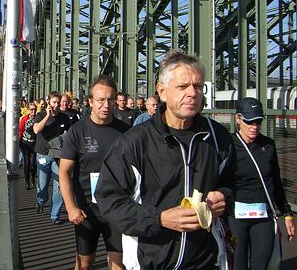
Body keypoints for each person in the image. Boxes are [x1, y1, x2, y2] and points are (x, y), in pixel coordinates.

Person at [95, 50, 236, 270]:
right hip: (151, 261)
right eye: (182, 87)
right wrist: (159, 218)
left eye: (198, 86)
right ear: (162, 91)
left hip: (205, 260)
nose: (192, 93)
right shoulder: (134, 142)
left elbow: (233, 182)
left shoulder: (218, 137)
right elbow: (109, 201)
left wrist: (224, 196)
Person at [60, 75, 130, 270]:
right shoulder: (77, 131)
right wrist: (71, 207)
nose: (106, 104)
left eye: (110, 99)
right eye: (100, 99)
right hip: (87, 211)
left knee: (119, 265)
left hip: (117, 208)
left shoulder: (127, 132)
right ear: (91, 101)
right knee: (84, 264)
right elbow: (64, 171)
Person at [228, 97, 296, 270]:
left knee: (262, 265)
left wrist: (287, 214)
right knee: (238, 264)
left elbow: (276, 181)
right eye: (249, 121)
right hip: (236, 217)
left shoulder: (268, 145)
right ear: (238, 119)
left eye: (258, 121)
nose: (254, 126)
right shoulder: (227, 144)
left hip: (263, 215)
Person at [34, 91, 72, 224]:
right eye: (54, 102)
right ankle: (41, 200)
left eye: (58, 102)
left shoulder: (64, 118)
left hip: (58, 155)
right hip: (43, 153)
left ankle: (54, 215)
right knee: (43, 184)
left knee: (59, 186)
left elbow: (69, 135)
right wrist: (47, 116)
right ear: (49, 102)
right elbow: (36, 130)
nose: (56, 105)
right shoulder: (41, 115)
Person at [19, 102, 38, 190]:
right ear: (28, 110)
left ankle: (33, 177)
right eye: (31, 109)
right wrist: (18, 143)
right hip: (25, 143)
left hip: (35, 143)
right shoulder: (24, 119)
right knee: (26, 163)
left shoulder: (38, 118)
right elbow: (21, 131)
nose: (33, 111)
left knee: (33, 164)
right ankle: (27, 182)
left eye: (34, 109)